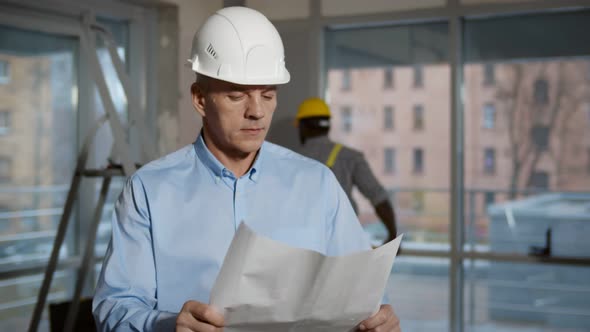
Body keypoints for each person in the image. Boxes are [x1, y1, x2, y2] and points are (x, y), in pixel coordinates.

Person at [93, 6, 401, 332]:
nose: (256, 112)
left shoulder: (318, 184)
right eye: (237, 95)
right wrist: (166, 325)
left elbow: (362, 298)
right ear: (200, 99)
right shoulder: (148, 190)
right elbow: (114, 306)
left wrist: (378, 321)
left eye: (268, 95)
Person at [295, 98, 398, 244]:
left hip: (302, 241)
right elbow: (377, 196)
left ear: (302, 126)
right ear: (328, 126)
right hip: (343, 241)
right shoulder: (350, 157)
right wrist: (392, 234)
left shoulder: (290, 160)